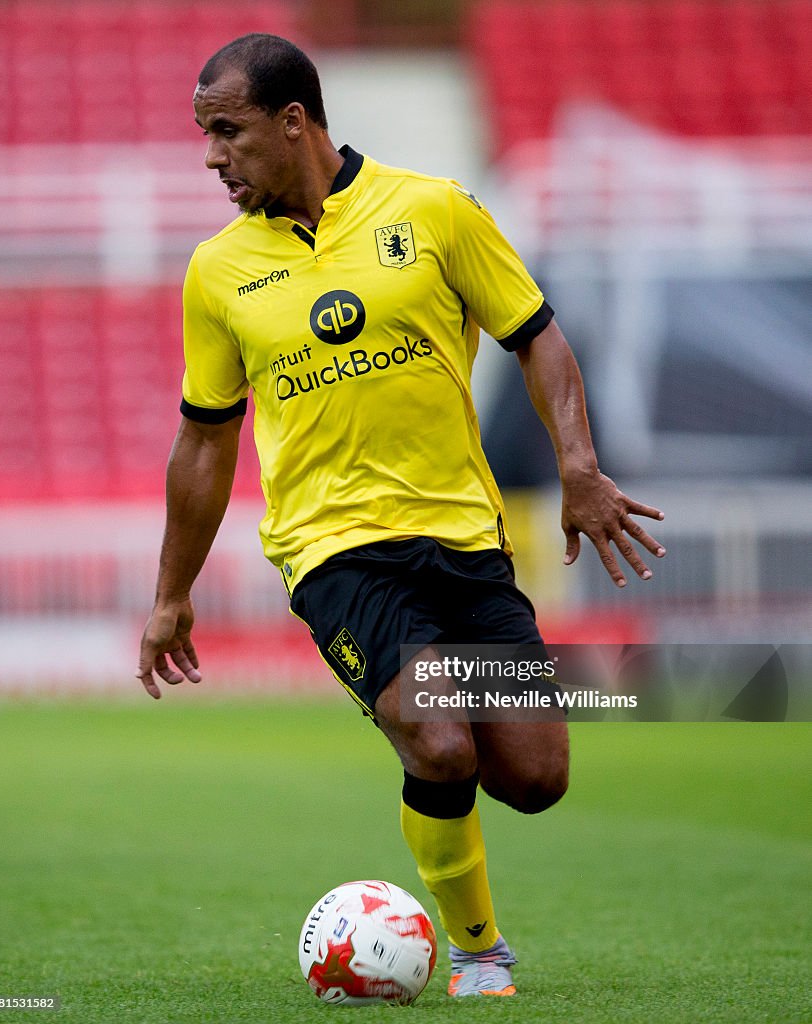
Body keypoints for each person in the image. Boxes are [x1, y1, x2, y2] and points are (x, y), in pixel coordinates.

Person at [136, 34, 666, 998]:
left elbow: (537, 337)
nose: (213, 157)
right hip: (335, 553)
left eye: (227, 133)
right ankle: (478, 955)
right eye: (205, 136)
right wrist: (171, 594)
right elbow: (206, 440)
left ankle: (455, 860)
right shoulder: (217, 274)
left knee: (536, 776)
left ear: (293, 121)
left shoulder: (435, 211)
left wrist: (579, 468)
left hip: (464, 538)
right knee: (437, 734)